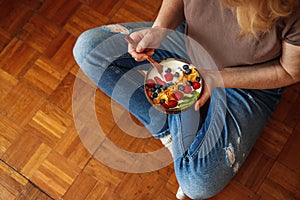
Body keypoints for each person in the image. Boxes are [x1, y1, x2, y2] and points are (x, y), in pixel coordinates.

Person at [73, 0, 300, 199]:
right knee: (89, 49)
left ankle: (175, 115)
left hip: (250, 80)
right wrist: (160, 29)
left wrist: (217, 78)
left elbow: (288, 71)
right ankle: (169, 128)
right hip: (189, 42)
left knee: (198, 184)